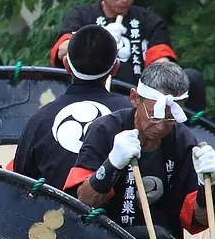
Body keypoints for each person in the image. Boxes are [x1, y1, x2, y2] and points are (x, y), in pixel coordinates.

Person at [66, 60, 215, 239]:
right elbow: (81, 202)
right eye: (154, 116)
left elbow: (200, 221)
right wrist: (112, 164)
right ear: (134, 98)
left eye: (171, 119)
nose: (161, 127)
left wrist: (209, 185)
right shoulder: (105, 130)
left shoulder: (183, 141)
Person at [49, 0, 206, 103]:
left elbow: (162, 66)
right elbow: (62, 51)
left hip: (137, 104)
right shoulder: (81, 15)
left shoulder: (150, 21)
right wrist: (98, 38)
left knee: (191, 78)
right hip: (87, 98)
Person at [11, 24, 131, 182]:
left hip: (52, 207)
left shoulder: (40, 119)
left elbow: (20, 181)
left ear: (66, 65)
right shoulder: (133, 113)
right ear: (115, 68)